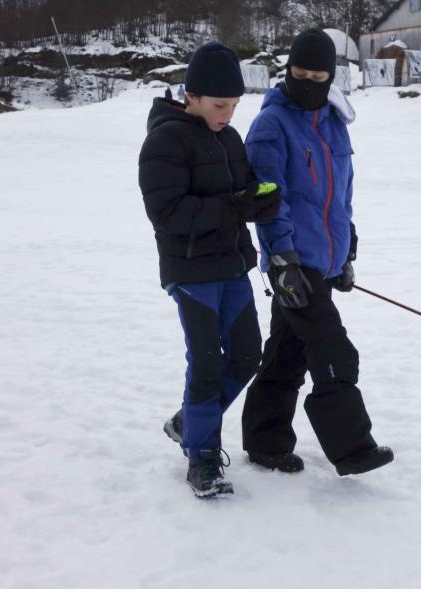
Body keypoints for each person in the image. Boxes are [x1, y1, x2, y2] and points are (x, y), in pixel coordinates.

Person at [241, 28, 393, 477]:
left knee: (286, 355)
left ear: (331, 78)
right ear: (287, 71)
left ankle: (266, 443)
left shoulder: (332, 124)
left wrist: (345, 247)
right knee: (333, 351)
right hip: (294, 263)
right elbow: (271, 199)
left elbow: (338, 195)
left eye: (317, 75)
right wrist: (282, 260)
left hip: (323, 262)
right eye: (298, 73)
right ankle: (351, 448)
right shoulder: (271, 125)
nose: (307, 82)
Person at [138, 42, 282, 498]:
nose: (228, 114)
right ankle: (201, 457)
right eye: (221, 105)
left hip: (233, 265)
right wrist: (232, 206)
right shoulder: (165, 139)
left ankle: (188, 421)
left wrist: (261, 200)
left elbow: (241, 193)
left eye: (236, 105)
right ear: (192, 95)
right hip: (191, 271)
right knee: (204, 363)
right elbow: (167, 212)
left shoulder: (229, 139)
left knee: (245, 356)